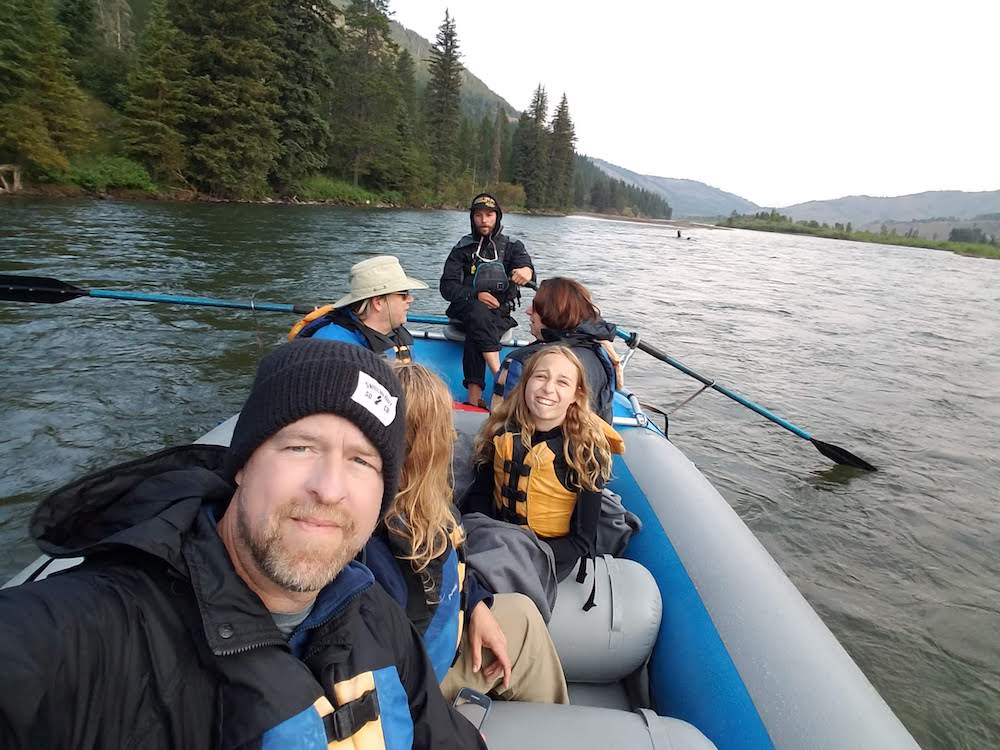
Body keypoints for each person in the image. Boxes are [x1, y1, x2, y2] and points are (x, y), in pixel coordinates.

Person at [0, 340, 485, 750]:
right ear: (242, 464)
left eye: (362, 461)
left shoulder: (371, 611)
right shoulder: (88, 631)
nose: (330, 488)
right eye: (301, 447)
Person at [364, 362, 569, 704]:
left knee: (521, 613)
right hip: (414, 689)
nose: (453, 436)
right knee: (525, 628)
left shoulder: (421, 507)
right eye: (445, 428)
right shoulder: (374, 551)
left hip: (439, 643)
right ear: (428, 445)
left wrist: (474, 605)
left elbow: (447, 572)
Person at [464, 346, 624, 586]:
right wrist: (485, 537)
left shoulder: (583, 452)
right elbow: (479, 496)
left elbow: (581, 541)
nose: (548, 388)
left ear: (576, 394)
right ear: (526, 383)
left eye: (562, 382)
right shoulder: (502, 432)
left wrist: (520, 554)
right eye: (540, 376)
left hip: (549, 555)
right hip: (496, 538)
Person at [440, 193, 534, 406]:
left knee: (479, 321)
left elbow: (526, 266)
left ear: (497, 216)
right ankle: (501, 376)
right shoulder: (462, 249)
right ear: (472, 218)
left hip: (499, 313)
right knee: (477, 311)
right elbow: (447, 287)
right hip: (464, 309)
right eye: (479, 215)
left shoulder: (513, 247)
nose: (484, 220)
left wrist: (526, 271)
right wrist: (475, 294)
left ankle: (474, 397)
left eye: (489, 215)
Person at [493, 277, 621, 424]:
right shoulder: (601, 353)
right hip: (588, 443)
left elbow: (501, 422)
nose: (528, 312)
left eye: (535, 307)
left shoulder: (521, 361)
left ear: (551, 312)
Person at [289, 255, 428, 362]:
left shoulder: (396, 335)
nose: (410, 299)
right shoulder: (333, 348)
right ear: (378, 302)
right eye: (404, 294)